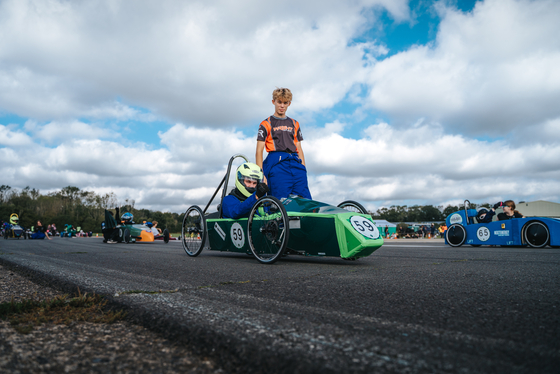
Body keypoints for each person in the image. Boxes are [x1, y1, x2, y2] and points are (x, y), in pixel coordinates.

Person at [255, 87, 311, 200]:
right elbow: (259, 150)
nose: (282, 105)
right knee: (280, 200)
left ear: (289, 104)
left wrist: (303, 169)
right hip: (276, 163)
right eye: (279, 102)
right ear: (273, 102)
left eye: (285, 103)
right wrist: (260, 174)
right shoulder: (266, 123)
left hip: (295, 162)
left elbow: (299, 148)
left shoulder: (294, 123)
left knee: (304, 199)